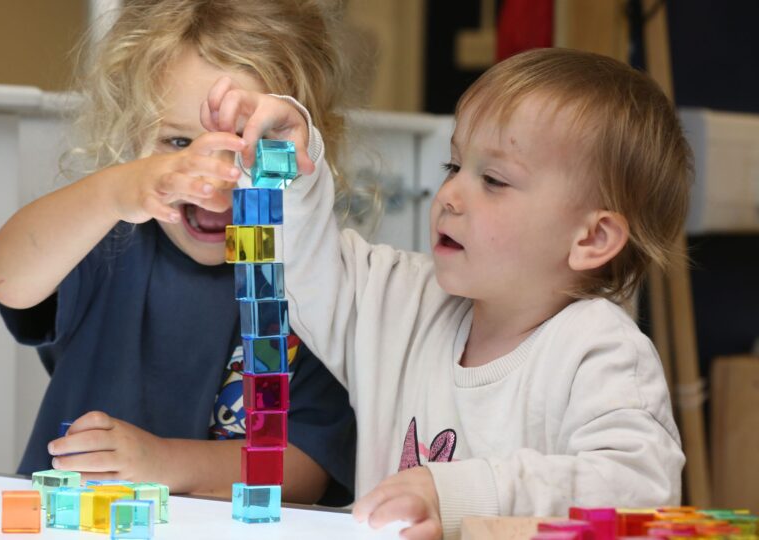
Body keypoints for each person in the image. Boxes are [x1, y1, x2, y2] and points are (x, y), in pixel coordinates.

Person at [204, 47, 690, 537]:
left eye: (494, 180)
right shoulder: (405, 302)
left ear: (591, 239)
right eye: (453, 166)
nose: (450, 196)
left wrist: (457, 493)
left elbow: (641, 490)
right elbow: (304, 267)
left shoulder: (602, 352)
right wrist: (283, 161)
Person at [0, 0, 357, 506]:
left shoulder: (311, 282)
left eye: (248, 151)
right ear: (136, 137)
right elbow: (8, 278)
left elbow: (306, 467)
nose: (211, 182)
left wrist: (160, 464)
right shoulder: (108, 241)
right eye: (179, 142)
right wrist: (115, 192)